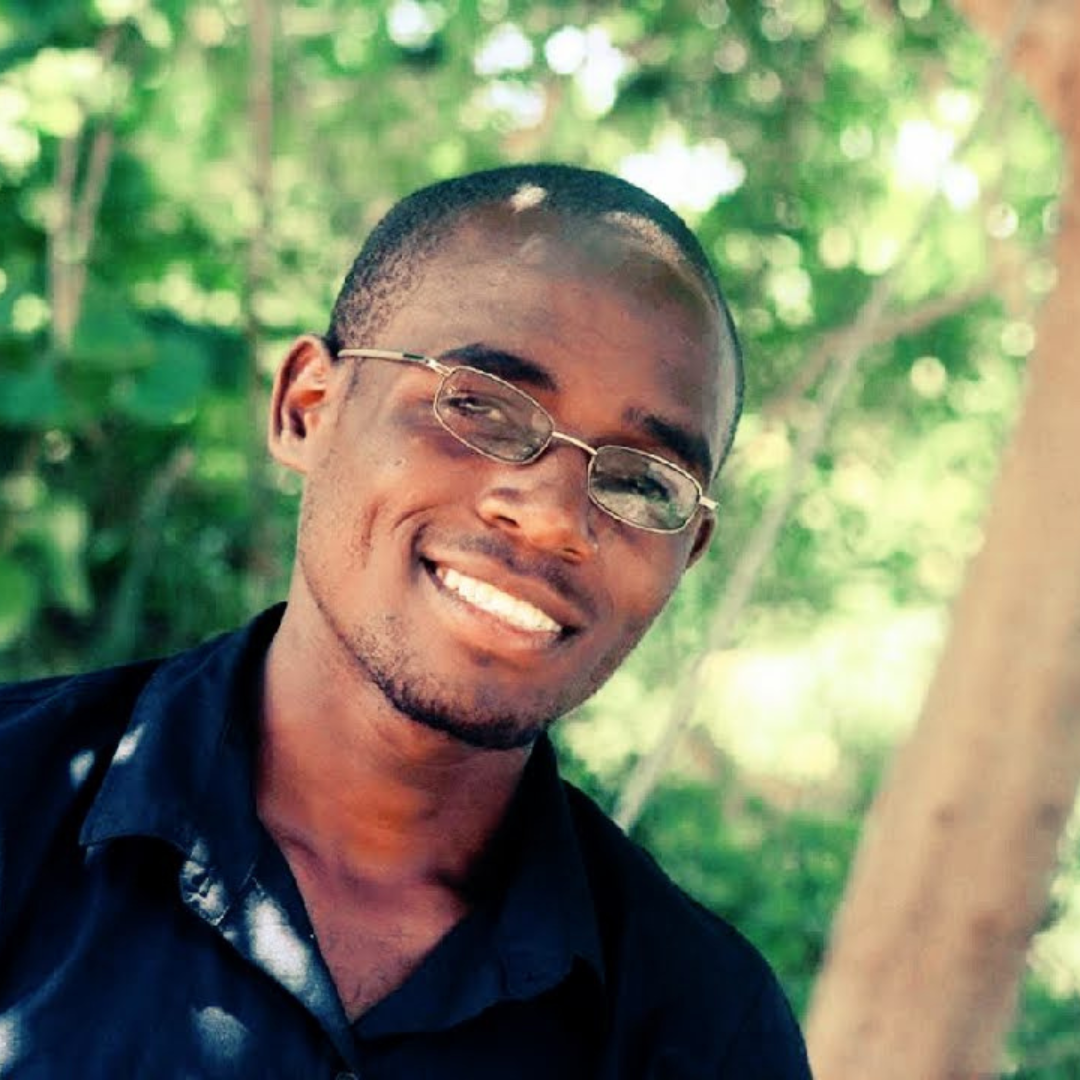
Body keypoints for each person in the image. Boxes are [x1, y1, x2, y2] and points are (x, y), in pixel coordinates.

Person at [0, 164, 813, 1078]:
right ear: (307, 408)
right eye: (480, 405)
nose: (553, 517)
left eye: (642, 482)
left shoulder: (706, 1031)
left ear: (687, 553)